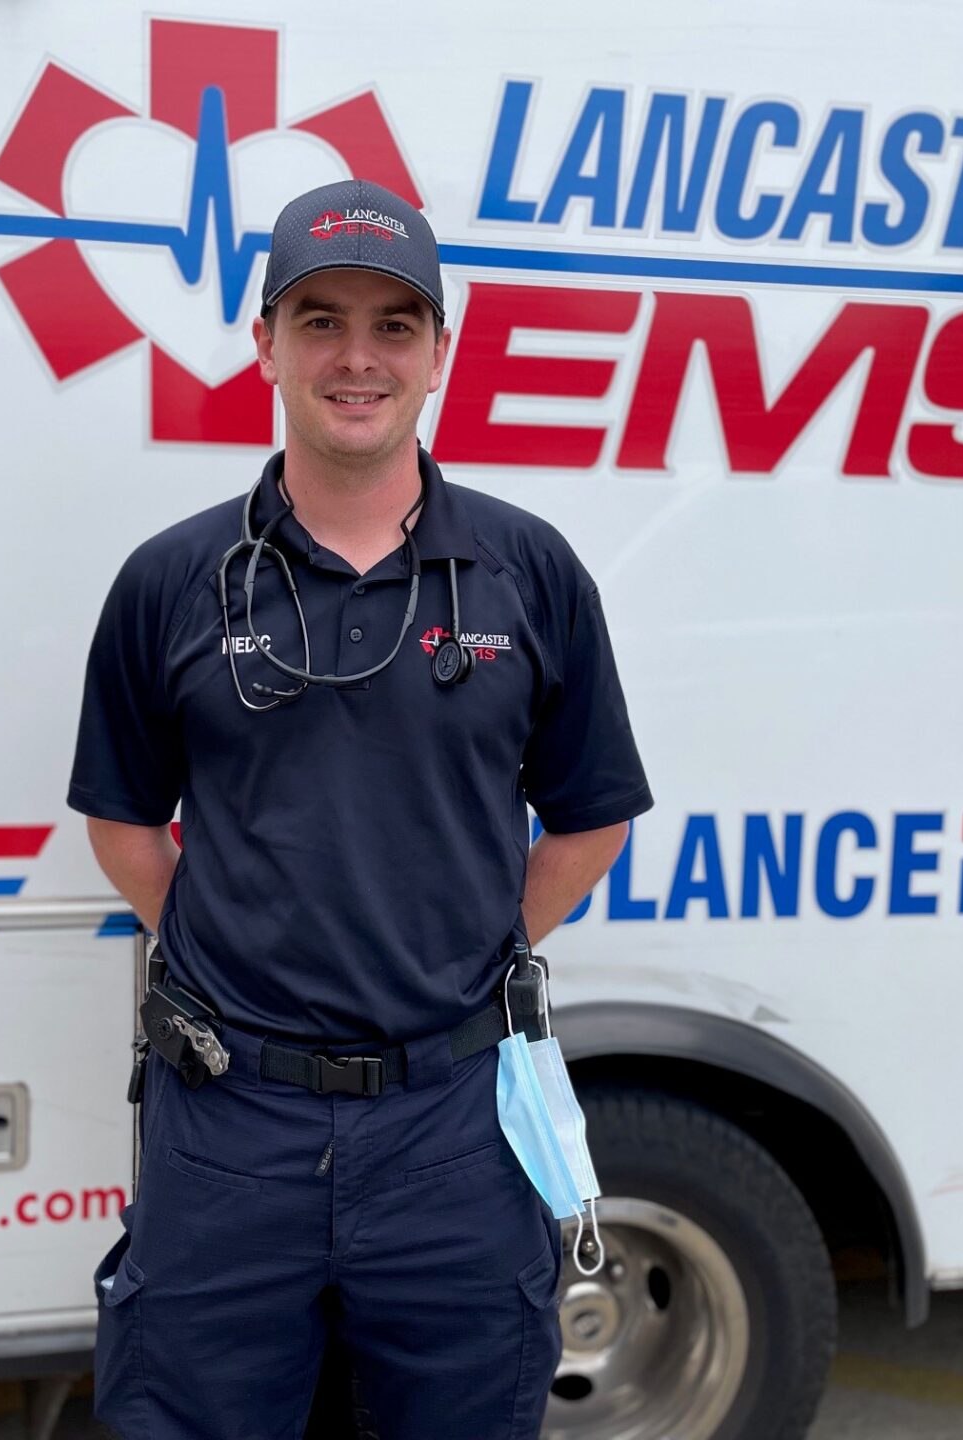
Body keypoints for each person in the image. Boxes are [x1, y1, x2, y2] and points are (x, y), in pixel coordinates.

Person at [68, 177, 653, 1439]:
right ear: (265, 342)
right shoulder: (171, 580)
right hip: (229, 1122)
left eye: (395, 324)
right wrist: (240, 943)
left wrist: (459, 945)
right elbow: (124, 821)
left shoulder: (529, 571)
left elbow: (592, 816)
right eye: (320, 319)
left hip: (457, 1122)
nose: (357, 356)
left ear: (441, 351)